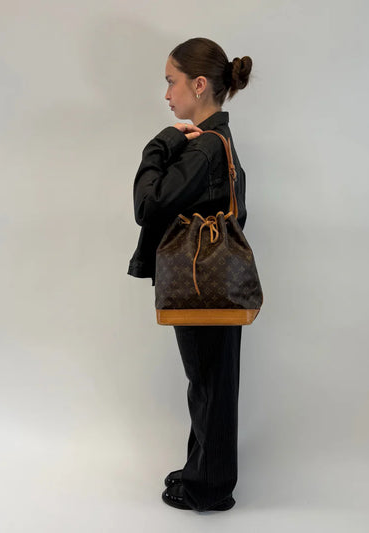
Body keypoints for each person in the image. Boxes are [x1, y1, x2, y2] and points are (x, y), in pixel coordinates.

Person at [128, 37, 253, 512]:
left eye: (171, 82)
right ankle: (202, 469)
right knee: (209, 380)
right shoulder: (218, 141)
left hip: (200, 284)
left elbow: (148, 205)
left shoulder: (202, 149)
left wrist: (160, 142)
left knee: (209, 383)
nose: (167, 94)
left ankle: (210, 488)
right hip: (212, 281)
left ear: (199, 85)